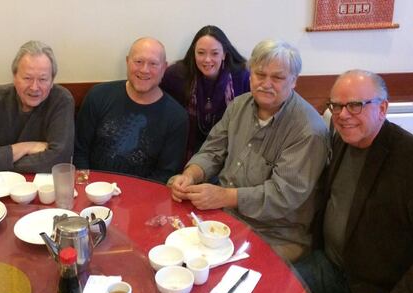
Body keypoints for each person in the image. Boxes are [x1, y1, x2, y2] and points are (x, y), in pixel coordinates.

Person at [295, 70, 413, 293]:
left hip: (381, 290)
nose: (343, 115)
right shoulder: (342, 139)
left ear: (382, 108)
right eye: (337, 105)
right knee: (273, 285)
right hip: (333, 268)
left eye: (355, 105)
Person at [169, 40, 329, 262]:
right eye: (260, 74)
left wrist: (224, 196)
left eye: (278, 77)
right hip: (226, 217)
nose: (266, 84)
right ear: (250, 74)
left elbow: (283, 196)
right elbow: (213, 150)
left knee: (217, 277)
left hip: (276, 234)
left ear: (294, 81)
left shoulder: (308, 130)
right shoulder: (239, 105)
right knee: (174, 252)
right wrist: (190, 175)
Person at [74, 37, 188, 183]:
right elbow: (79, 150)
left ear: (164, 67)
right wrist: (86, 186)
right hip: (93, 190)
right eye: (138, 62)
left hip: (143, 197)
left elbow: (165, 174)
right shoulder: (98, 95)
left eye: (153, 63)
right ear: (128, 61)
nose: (144, 70)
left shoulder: (177, 117)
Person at [0, 40, 74, 177]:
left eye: (43, 79)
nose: (34, 87)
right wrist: (25, 147)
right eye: (27, 78)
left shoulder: (61, 100)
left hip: (41, 191)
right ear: (14, 77)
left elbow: (58, 161)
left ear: (52, 81)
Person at [161, 25, 250, 159]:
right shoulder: (176, 75)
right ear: (193, 53)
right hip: (185, 148)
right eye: (201, 53)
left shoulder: (242, 77)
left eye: (214, 53)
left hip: (227, 150)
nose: (207, 59)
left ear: (224, 54)